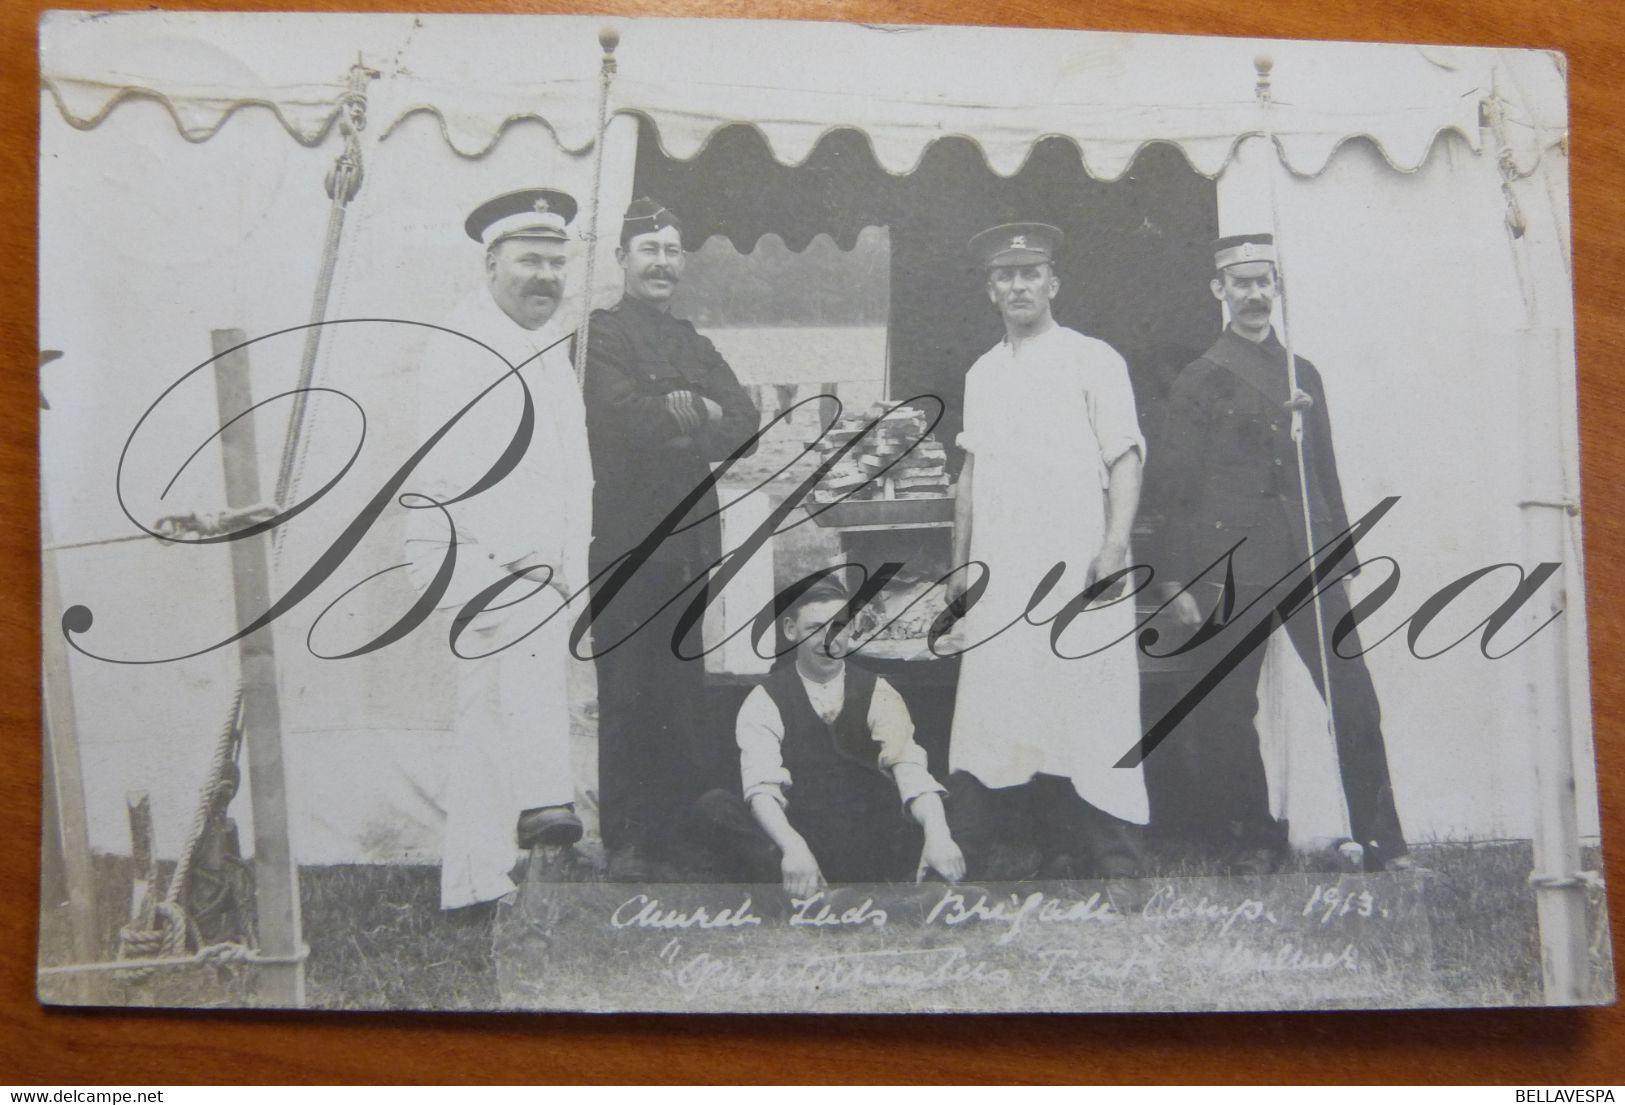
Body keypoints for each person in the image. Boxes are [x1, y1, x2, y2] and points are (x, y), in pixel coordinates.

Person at [1150, 232, 1414, 873]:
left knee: (1354, 698)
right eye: (1240, 283)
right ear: (1219, 291)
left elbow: (1326, 474)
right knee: (1224, 707)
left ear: (1277, 288)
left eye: (1264, 280)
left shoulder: (1305, 374)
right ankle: (1255, 841)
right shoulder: (1197, 380)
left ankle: (1383, 842)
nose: (1254, 293)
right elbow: (1174, 491)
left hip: (1311, 562)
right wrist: (1176, 579)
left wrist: (1343, 561)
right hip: (1230, 569)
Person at [403, 187, 594, 909]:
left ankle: (479, 879)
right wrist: (529, 561)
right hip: (472, 551)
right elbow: (462, 468)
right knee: (514, 676)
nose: (545, 276)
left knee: (488, 715)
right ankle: (541, 806)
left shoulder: (544, 345)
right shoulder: (462, 344)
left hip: (528, 559)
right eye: (529, 260)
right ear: (490, 261)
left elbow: (569, 468)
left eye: (556, 262)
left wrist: (569, 563)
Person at [944, 222, 1150, 881]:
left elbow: (1125, 456)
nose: (1018, 284)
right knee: (1005, 697)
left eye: (1030, 272)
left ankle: (1116, 855)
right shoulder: (981, 372)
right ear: (989, 290)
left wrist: (1114, 544)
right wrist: (959, 566)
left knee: (1092, 697)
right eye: (1005, 275)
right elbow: (970, 476)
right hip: (1003, 569)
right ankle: (1010, 847)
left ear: (1052, 283)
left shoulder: (1093, 358)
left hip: (1078, 562)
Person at [582, 198, 761, 880]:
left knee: (681, 693)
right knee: (627, 691)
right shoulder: (601, 335)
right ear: (622, 261)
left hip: (689, 542)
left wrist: (681, 416)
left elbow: (744, 423)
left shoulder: (693, 342)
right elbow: (619, 416)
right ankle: (626, 840)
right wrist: (692, 414)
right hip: (624, 540)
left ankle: (682, 835)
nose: (661, 262)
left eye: (671, 250)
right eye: (648, 249)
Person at [699, 577, 966, 894]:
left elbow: (909, 769)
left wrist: (937, 835)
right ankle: (826, 892)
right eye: (814, 627)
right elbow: (762, 788)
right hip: (804, 839)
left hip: (868, 838)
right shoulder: (766, 699)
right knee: (714, 807)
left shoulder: (878, 691)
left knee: (958, 795)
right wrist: (794, 847)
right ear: (790, 630)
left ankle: (897, 883)